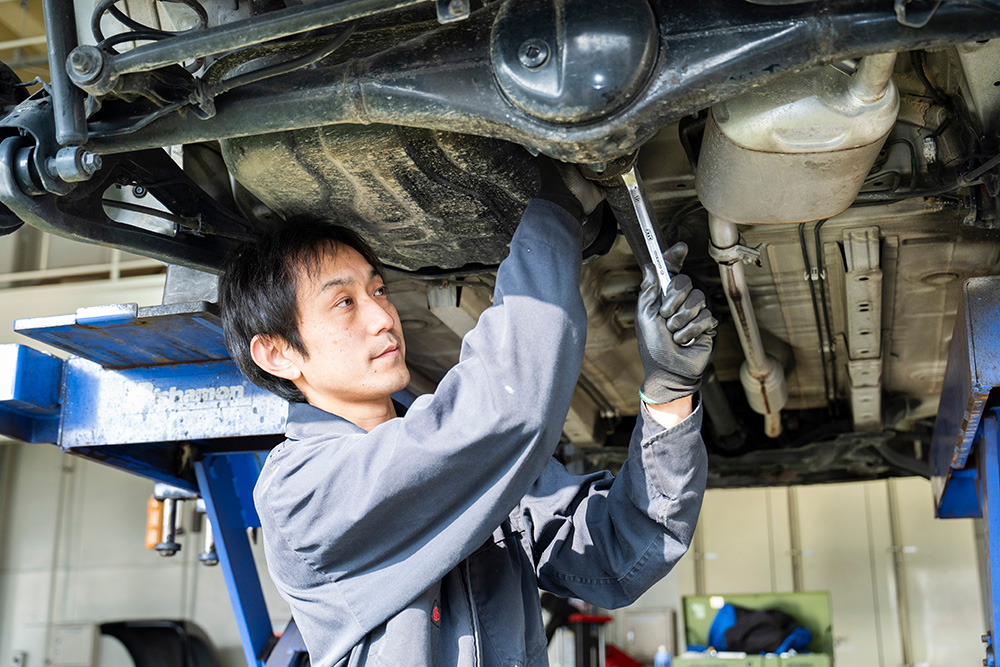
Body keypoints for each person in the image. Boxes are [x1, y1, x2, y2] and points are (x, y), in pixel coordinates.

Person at [218, 162, 717, 667]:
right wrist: (555, 207)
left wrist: (668, 392)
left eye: (378, 290)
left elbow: (618, 555)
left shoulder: (471, 469)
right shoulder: (300, 493)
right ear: (278, 353)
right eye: (344, 302)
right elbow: (506, 408)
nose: (382, 316)